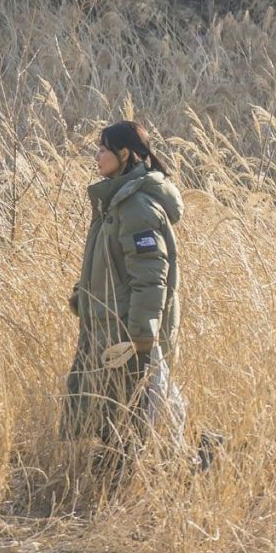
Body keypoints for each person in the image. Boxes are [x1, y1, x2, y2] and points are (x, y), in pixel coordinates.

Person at [65, 120, 188, 478]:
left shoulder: (136, 207)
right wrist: (83, 296)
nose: (97, 155)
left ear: (125, 153)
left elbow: (151, 276)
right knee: (113, 413)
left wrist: (141, 335)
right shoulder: (117, 201)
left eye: (104, 148)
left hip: (127, 332)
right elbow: (111, 262)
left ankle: (193, 465)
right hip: (108, 324)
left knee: (130, 415)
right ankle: (116, 484)